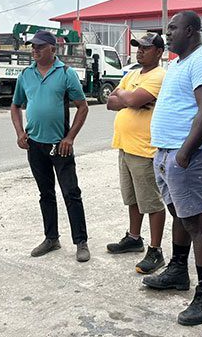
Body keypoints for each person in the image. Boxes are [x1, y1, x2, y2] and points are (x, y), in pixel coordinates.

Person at [142, 10, 202, 326]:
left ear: (190, 30)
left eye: (173, 28)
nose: (168, 32)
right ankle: (177, 269)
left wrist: (184, 153)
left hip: (185, 156)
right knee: (181, 216)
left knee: (196, 222)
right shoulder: (177, 63)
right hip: (168, 154)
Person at [10, 30, 91, 262]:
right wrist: (19, 133)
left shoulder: (66, 73)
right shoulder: (26, 75)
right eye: (32, 47)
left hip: (60, 145)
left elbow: (82, 107)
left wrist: (70, 138)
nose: (34, 50)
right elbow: (15, 106)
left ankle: (81, 241)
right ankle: (51, 238)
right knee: (45, 193)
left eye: (39, 47)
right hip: (35, 145)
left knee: (71, 192)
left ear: (52, 50)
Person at [105, 32, 167, 274]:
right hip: (125, 145)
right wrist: (127, 98)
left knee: (150, 202)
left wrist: (127, 98)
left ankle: (155, 250)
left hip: (145, 148)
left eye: (146, 48)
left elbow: (130, 99)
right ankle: (133, 237)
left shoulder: (159, 75)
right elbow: (111, 102)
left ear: (159, 53)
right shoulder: (132, 74)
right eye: (138, 47)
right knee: (132, 198)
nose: (140, 51)